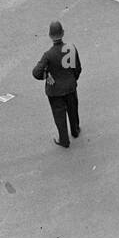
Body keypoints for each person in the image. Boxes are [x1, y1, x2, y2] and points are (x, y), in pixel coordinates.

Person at [32, 20, 81, 149]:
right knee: (73, 109)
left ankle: (64, 140)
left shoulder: (48, 55)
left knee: (59, 115)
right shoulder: (70, 48)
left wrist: (45, 75)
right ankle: (75, 130)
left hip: (55, 91)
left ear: (50, 36)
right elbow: (77, 69)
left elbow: (36, 72)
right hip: (70, 87)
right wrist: (72, 79)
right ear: (63, 33)